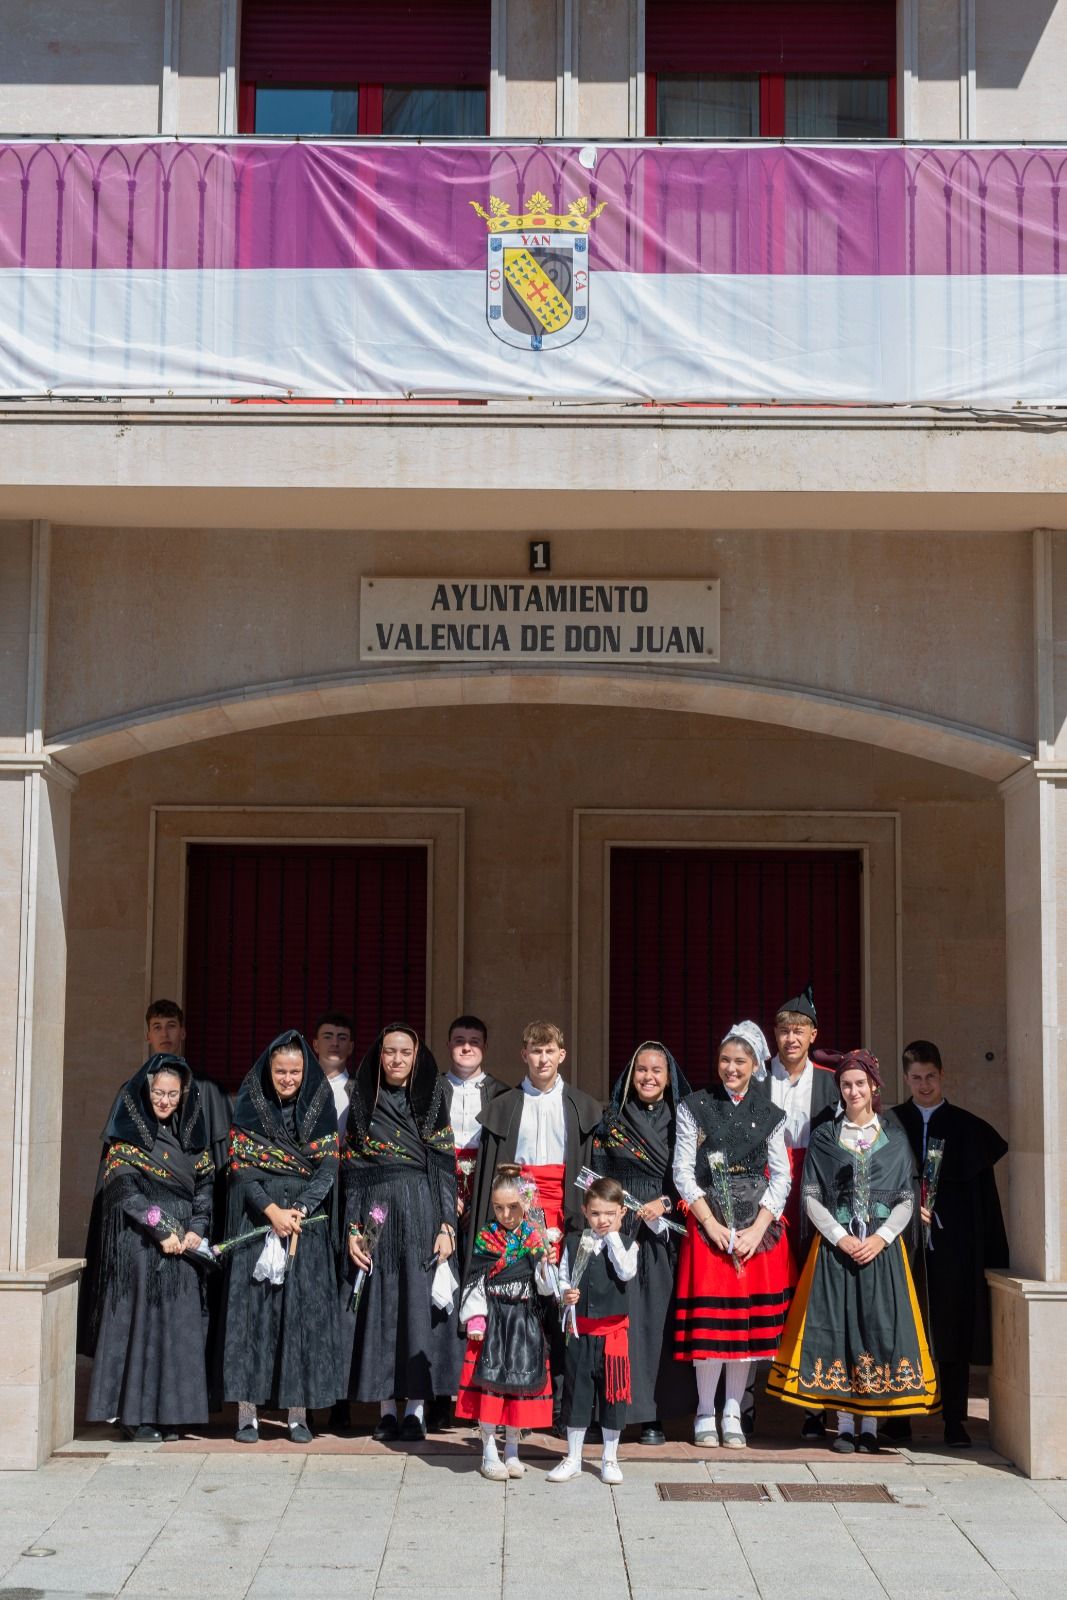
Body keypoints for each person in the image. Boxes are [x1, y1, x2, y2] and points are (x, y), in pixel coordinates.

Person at [767, 1049, 940, 1451]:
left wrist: (881, 1238)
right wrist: (839, 1236)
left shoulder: (893, 1138)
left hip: (882, 1252)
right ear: (839, 1090)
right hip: (835, 1251)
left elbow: (906, 1198)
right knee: (838, 1331)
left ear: (874, 1086)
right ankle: (844, 1424)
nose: (853, 1090)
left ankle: (870, 1427)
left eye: (860, 1083)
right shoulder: (826, 1136)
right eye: (846, 1084)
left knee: (877, 1331)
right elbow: (809, 1195)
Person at [672, 1022, 794, 1448]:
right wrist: (711, 1224)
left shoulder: (771, 1114)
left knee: (743, 1329)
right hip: (710, 1226)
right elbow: (682, 1171)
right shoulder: (695, 1105)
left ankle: (733, 1410)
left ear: (755, 1065)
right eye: (725, 1060)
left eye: (740, 1061)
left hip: (756, 1232)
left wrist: (758, 1227)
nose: (731, 1068)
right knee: (712, 1326)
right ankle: (705, 1410)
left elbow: (781, 1176)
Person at [219, 1030, 343, 1444]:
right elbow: (242, 1169)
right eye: (280, 1071)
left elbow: (327, 1168)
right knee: (253, 1320)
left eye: (295, 1071)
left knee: (300, 1322)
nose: (288, 1078)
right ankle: (247, 1414)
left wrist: (301, 1210)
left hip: (304, 1229)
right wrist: (271, 1211)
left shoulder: (320, 1110)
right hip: (259, 1223)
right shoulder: (249, 1109)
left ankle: (297, 1415)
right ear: (267, 1072)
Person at [83, 1054, 214, 1441]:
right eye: (158, 1093)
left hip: (184, 1249)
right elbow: (125, 1191)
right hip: (141, 1246)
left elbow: (205, 1186)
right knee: (141, 1328)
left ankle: (172, 1415)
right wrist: (163, 1231)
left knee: (178, 1331)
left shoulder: (192, 1138)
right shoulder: (127, 1137)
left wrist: (196, 1229)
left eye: (172, 1094)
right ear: (146, 1091)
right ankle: (136, 1417)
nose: (165, 1101)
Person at [340, 1025, 461, 1441]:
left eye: (404, 1053)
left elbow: (444, 1165)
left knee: (416, 1303)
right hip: (375, 1207)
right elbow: (352, 1170)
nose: (395, 1060)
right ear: (379, 1055)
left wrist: (447, 1226)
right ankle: (386, 1407)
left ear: (415, 1056)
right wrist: (355, 1229)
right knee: (380, 1302)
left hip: (421, 1205)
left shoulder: (431, 1097)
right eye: (389, 1051)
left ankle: (417, 1409)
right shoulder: (362, 1100)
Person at [888, 1039, 1009, 1446]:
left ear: (942, 1075)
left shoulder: (967, 1128)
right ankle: (899, 1417)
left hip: (953, 1244)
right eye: (916, 1077)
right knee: (903, 1324)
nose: (924, 1085)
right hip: (901, 1243)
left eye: (930, 1077)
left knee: (952, 1327)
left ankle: (954, 1418)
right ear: (905, 1078)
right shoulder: (890, 1124)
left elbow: (983, 1203)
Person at [591, 1040, 695, 1444]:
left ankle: (653, 1415)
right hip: (619, 1231)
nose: (648, 1077)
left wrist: (665, 1201)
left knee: (656, 1324)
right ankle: (611, 1410)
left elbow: (693, 1175)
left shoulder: (683, 1123)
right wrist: (609, 1215)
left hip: (662, 1233)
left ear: (669, 1078)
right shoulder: (610, 1121)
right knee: (616, 1322)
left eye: (657, 1071)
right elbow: (597, 1174)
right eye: (641, 1070)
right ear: (630, 1076)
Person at [768, 984, 840, 1439]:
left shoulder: (835, 1082)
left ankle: (815, 1406)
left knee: (815, 1297)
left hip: (817, 1194)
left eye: (799, 1030)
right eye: (783, 1029)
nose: (791, 1037)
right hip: (765, 1194)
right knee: (766, 1295)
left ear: (814, 1034)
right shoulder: (756, 1077)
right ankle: (747, 1402)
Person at [456, 1164, 556, 1480]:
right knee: (489, 1390)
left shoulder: (534, 1236)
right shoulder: (487, 1236)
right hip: (494, 1320)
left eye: (513, 1207)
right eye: (498, 1207)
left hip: (524, 1319)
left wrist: (545, 1263)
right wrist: (475, 1317)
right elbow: (476, 1279)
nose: (506, 1214)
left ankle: (512, 1451)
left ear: (526, 1203)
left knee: (518, 1390)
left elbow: (546, 1288)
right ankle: (488, 1452)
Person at [547, 1175, 643, 1485]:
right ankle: (573, 1457)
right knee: (577, 1393)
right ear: (586, 1211)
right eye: (596, 1213)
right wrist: (566, 1293)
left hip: (613, 1334)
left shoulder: (628, 1244)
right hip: (580, 1332)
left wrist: (614, 1238)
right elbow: (562, 1278)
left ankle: (610, 1458)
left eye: (609, 1214)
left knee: (612, 1395)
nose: (602, 1220)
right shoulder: (575, 1242)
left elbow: (626, 1272)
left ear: (621, 1213)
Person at [441, 1013, 509, 1266]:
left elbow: (504, 1154)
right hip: (442, 1181)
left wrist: (480, 1202)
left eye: (474, 1042)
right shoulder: (431, 1090)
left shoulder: (503, 1095)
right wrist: (447, 1199)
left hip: (484, 1186)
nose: (466, 1047)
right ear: (448, 1045)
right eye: (459, 1041)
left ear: (485, 1047)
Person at [311, 1010, 356, 1140]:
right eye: (327, 1036)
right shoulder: (299, 1085)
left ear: (350, 1047)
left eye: (342, 1038)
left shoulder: (360, 1091)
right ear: (315, 1044)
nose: (335, 1043)